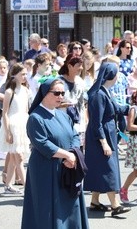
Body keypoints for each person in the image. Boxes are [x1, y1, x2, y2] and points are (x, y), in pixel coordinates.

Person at [22, 78, 89, 229]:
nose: (60, 96)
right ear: (45, 94)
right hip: (45, 169)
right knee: (46, 208)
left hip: (68, 165)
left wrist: (72, 153)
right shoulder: (35, 118)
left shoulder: (64, 115)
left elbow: (75, 136)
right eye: (56, 93)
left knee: (69, 205)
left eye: (62, 93)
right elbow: (42, 144)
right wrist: (67, 155)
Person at [84, 62, 130, 217]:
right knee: (108, 168)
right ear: (112, 76)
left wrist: (132, 106)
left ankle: (95, 201)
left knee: (100, 168)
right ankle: (115, 205)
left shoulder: (105, 91)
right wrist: (103, 142)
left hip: (107, 134)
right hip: (100, 136)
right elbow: (96, 122)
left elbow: (117, 109)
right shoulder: (98, 95)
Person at [0, 63, 31, 194]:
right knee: (19, 157)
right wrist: (8, 132)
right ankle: (28, 189)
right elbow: (5, 113)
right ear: (14, 75)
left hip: (23, 124)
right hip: (12, 125)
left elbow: (26, 110)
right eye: (22, 74)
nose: (25, 76)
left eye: (26, 74)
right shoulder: (9, 91)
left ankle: (8, 185)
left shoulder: (26, 90)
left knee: (12, 157)